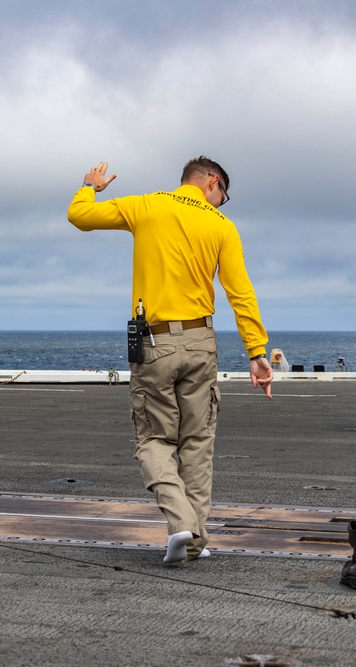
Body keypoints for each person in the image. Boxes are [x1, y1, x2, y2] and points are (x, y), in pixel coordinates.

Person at [68, 157, 274, 564]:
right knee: (198, 443)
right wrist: (257, 351)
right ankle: (195, 542)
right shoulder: (221, 226)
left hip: (155, 342)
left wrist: (90, 186)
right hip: (201, 340)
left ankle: (181, 522)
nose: (221, 203)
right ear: (212, 182)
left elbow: (79, 215)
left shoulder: (148, 205)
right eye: (223, 196)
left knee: (154, 438)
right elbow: (240, 293)